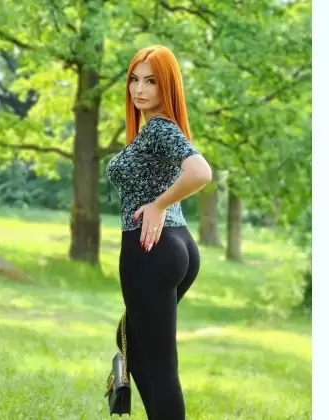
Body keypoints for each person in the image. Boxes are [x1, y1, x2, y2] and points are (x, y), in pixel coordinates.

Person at [106, 45, 212, 420]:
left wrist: (158, 205)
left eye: (151, 81)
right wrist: (162, 204)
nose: (139, 89)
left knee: (159, 365)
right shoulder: (159, 129)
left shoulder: (159, 129)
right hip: (174, 244)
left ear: (167, 84)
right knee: (133, 342)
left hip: (151, 250)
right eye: (134, 79)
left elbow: (200, 172)